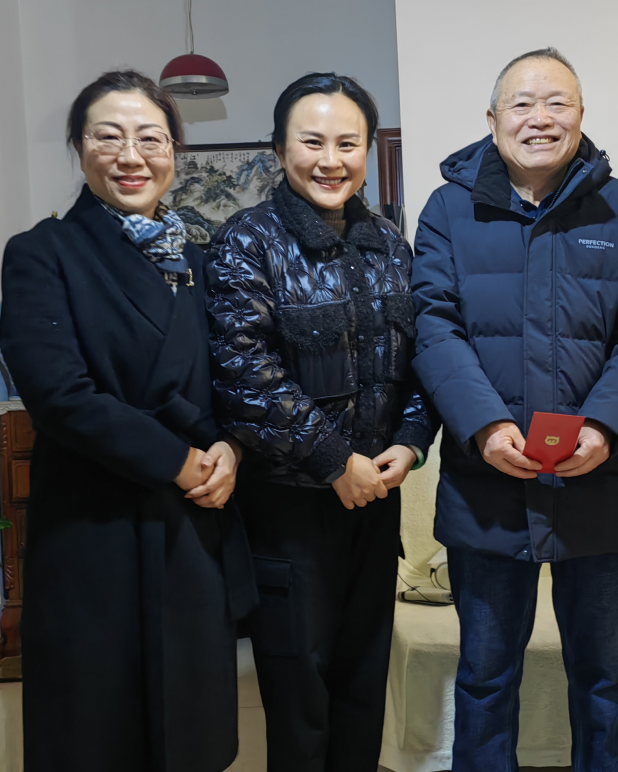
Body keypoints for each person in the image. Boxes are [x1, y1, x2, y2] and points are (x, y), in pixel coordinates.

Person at [411, 48, 618, 771]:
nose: (540, 118)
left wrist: (604, 426)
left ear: (581, 116)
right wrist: (485, 424)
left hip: (598, 481)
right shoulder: (447, 211)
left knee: (604, 677)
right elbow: (433, 326)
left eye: (557, 102)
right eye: (522, 103)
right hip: (487, 483)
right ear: (492, 119)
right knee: (485, 676)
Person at [0, 70, 257, 772]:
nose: (131, 156)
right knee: (95, 729)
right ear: (79, 147)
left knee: (191, 731)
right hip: (93, 526)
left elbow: (231, 377)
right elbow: (60, 395)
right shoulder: (42, 252)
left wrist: (230, 449)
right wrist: (179, 461)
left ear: (174, 151)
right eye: (107, 137)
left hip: (189, 527)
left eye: (151, 138)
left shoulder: (199, 259)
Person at [206, 72, 435, 772]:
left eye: (347, 143)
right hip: (289, 508)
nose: (330, 160)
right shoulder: (246, 241)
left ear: (367, 150)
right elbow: (244, 373)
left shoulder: (389, 242)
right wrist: (335, 461)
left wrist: (410, 443)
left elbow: (420, 361)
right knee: (299, 696)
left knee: (364, 683)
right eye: (312, 142)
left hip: (376, 503)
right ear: (280, 149)